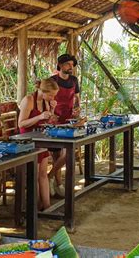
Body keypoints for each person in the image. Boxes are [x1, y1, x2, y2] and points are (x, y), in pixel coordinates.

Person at [18, 78, 59, 210]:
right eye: (51, 94)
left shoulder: (46, 102)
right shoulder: (28, 100)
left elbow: (49, 122)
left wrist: (52, 111)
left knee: (43, 174)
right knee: (34, 175)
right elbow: (21, 124)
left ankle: (47, 206)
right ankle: (34, 207)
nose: (53, 97)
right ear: (43, 91)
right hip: (28, 141)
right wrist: (39, 117)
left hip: (41, 139)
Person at [49, 54, 81, 198]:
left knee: (69, 152)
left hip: (69, 120)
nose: (71, 67)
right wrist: (49, 114)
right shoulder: (52, 80)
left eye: (72, 65)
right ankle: (58, 184)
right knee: (56, 154)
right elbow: (45, 99)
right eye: (68, 64)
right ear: (60, 65)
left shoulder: (74, 80)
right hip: (54, 121)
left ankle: (50, 177)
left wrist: (77, 109)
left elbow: (77, 99)